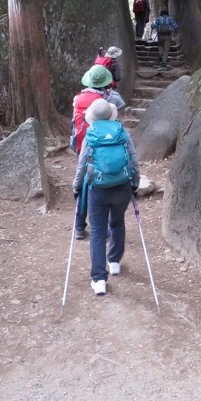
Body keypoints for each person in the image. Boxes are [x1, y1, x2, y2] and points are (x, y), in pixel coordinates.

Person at [72, 98, 140, 296]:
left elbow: (82, 165)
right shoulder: (122, 132)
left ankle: (99, 279)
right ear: (111, 115)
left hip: (98, 190)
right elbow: (133, 160)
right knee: (117, 222)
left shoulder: (90, 135)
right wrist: (134, 184)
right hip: (122, 187)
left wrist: (76, 188)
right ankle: (115, 261)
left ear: (92, 117)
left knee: (98, 231)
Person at [72, 65, 126, 240]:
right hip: (103, 149)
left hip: (83, 147)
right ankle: (107, 227)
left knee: (83, 185)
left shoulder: (78, 99)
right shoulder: (107, 100)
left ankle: (79, 226)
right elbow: (121, 105)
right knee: (106, 184)